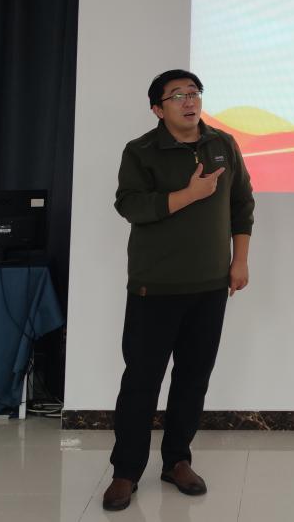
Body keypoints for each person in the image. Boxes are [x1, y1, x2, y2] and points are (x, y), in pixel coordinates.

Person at [102, 69, 254, 512]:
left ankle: (177, 461)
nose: (189, 101)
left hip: (210, 285)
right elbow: (130, 206)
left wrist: (239, 260)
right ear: (157, 108)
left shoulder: (223, 144)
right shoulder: (141, 151)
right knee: (141, 381)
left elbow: (242, 203)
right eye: (177, 95)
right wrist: (189, 194)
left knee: (193, 378)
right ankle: (126, 471)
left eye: (194, 93)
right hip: (155, 285)